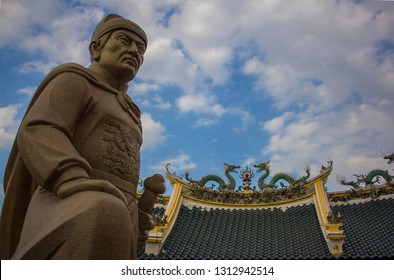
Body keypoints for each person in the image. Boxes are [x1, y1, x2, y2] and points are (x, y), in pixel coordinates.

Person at [0, 14, 154, 259]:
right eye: (125, 41)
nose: (134, 51)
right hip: (70, 194)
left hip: (122, 203)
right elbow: (41, 127)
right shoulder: (74, 79)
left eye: (141, 49)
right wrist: (70, 178)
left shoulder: (133, 114)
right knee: (103, 210)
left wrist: (134, 217)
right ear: (96, 48)